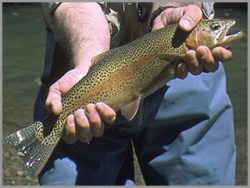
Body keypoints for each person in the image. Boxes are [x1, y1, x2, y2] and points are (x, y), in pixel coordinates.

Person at [34, 2, 235, 185]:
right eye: (214, 28)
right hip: (81, 53)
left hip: (188, 70)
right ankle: (42, 136)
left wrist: (170, 7)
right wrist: (88, 58)